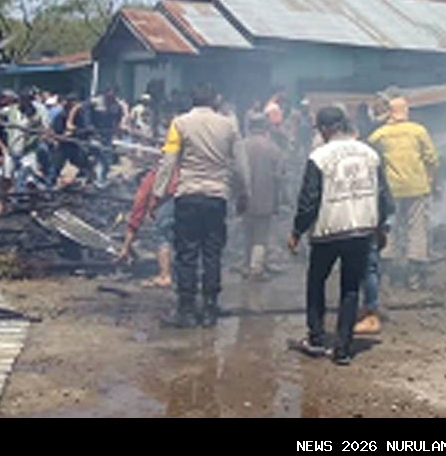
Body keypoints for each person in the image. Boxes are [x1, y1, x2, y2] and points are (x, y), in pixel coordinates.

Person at [288, 106, 394, 365]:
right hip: (361, 231)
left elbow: (309, 200)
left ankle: (316, 337)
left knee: (316, 282)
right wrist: (381, 227)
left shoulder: (319, 157)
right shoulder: (369, 153)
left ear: (325, 129)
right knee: (350, 288)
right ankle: (343, 349)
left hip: (328, 231)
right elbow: (383, 196)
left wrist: (297, 231)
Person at [152, 84, 250, 328]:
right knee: (212, 253)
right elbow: (240, 164)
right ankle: (209, 308)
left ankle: (186, 309)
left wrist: (157, 193)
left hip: (188, 196)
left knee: (186, 254)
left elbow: (169, 161)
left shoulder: (179, 123)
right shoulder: (228, 125)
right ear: (215, 100)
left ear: (192, 100)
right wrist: (243, 193)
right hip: (217, 197)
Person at [367, 96, 439, 291]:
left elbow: (369, 157)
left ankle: (386, 275)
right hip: (417, 187)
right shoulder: (419, 131)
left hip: (391, 190)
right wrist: (432, 181)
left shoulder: (380, 135)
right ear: (406, 111)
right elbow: (432, 159)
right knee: (417, 228)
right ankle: (414, 276)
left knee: (388, 228)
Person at [241, 113, 286, 280]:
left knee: (247, 233)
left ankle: (246, 265)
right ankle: (256, 268)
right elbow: (280, 175)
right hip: (266, 197)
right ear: (265, 127)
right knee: (260, 235)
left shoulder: (241, 146)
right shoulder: (272, 148)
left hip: (244, 198)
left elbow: (233, 171)